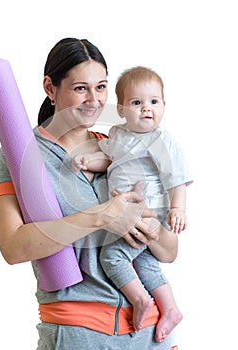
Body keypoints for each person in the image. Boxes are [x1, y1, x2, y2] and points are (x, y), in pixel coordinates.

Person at [0, 38, 179, 349]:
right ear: (50, 88)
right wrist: (101, 217)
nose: (94, 100)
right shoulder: (21, 155)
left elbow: (170, 251)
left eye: (102, 87)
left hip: (152, 334)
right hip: (77, 333)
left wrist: (148, 224)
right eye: (81, 88)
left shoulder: (120, 145)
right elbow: (13, 247)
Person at [73, 66, 193, 342]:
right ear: (122, 110)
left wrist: (178, 208)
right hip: (126, 210)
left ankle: (140, 299)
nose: (146, 109)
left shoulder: (161, 140)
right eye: (137, 103)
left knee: (112, 256)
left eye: (154, 102)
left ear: (164, 105)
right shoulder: (118, 135)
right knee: (146, 263)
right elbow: (109, 162)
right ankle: (171, 308)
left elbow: (177, 177)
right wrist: (87, 162)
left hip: (149, 210)